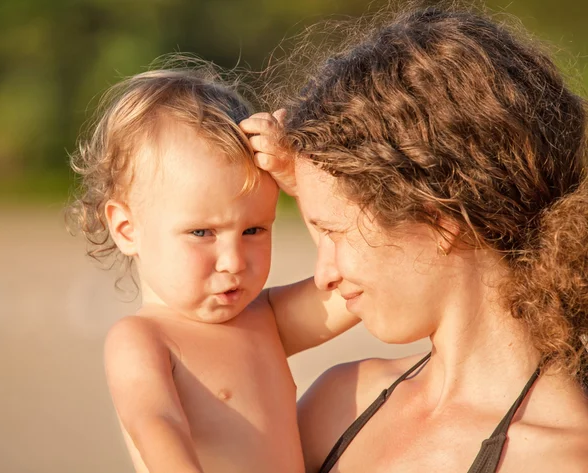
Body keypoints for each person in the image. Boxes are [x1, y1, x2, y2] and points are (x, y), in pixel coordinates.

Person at [241, 6, 588, 472]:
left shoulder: (559, 458)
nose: (324, 275)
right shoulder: (337, 404)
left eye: (335, 233)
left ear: (442, 221)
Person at [66, 62, 357, 473]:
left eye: (254, 229)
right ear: (127, 229)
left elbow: (357, 277)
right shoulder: (143, 340)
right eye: (202, 232)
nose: (234, 260)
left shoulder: (267, 320)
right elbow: (156, 425)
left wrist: (301, 182)